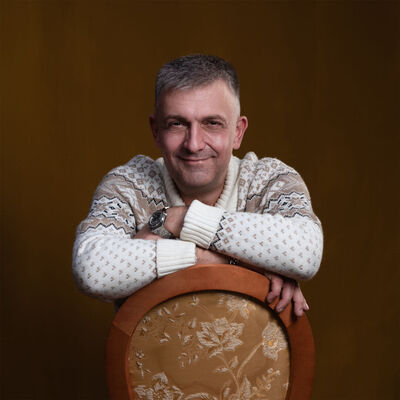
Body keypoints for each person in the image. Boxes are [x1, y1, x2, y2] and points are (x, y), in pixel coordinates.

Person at [72, 55, 323, 316]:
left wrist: (179, 219)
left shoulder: (270, 180)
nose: (193, 144)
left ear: (238, 132)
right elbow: (92, 271)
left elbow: (305, 254)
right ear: (156, 131)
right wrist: (234, 263)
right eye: (176, 124)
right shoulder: (128, 184)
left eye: (212, 124)